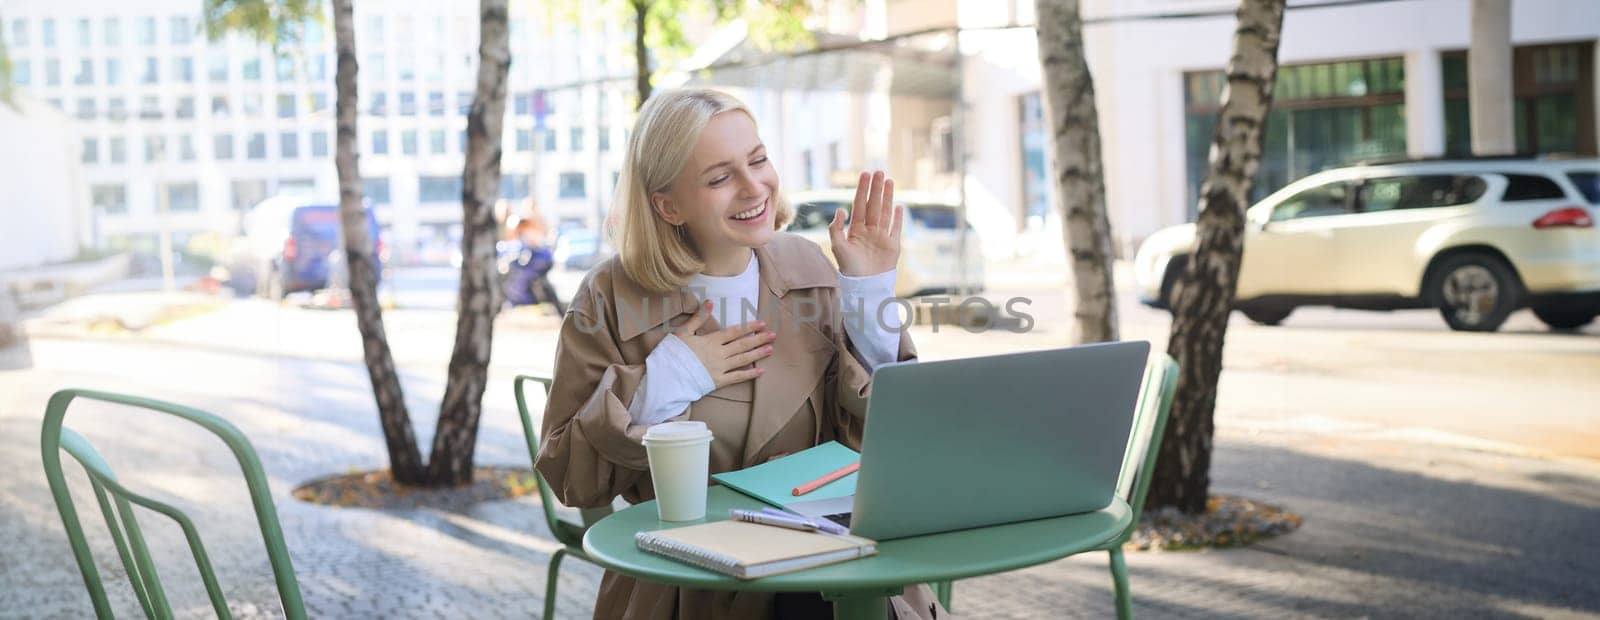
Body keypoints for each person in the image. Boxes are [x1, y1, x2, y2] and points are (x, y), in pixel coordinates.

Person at [535, 88, 924, 619]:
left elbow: (881, 447)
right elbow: (571, 478)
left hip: (837, 561)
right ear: (667, 205)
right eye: (719, 178)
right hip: (690, 580)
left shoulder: (809, 266)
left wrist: (869, 293)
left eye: (758, 160)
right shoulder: (609, 295)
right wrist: (668, 380)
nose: (752, 187)